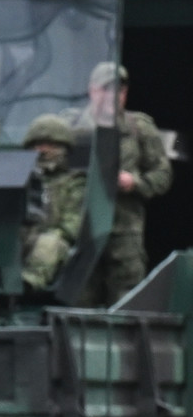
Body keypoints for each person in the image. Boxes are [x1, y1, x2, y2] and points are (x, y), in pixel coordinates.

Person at [61, 62, 172, 306]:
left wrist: (136, 182)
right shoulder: (69, 126)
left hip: (124, 230)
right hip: (79, 228)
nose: (113, 97)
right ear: (92, 91)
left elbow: (163, 174)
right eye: (106, 90)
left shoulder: (138, 127)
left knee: (127, 300)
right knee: (78, 301)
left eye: (119, 91)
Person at [19, 114, 87, 292]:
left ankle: (27, 283)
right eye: (37, 145)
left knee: (49, 243)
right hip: (24, 237)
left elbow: (72, 225)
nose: (42, 150)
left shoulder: (75, 183)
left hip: (55, 241)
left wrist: (51, 234)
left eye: (50, 145)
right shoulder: (21, 181)